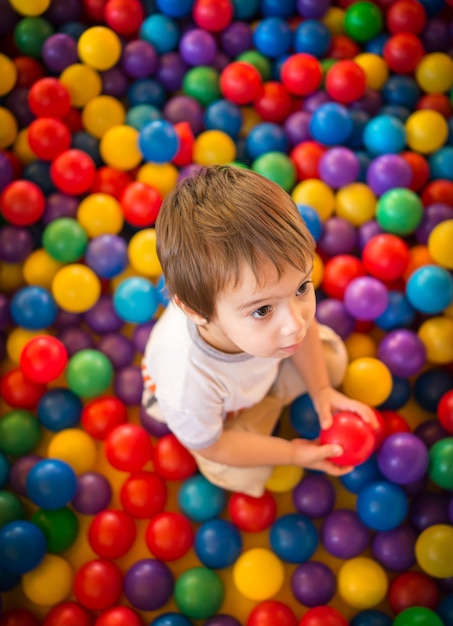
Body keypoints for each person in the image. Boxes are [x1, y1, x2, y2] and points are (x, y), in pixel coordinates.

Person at [142, 165, 377, 497]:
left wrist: (321, 390)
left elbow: (300, 328)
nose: (295, 322)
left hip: (264, 368)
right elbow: (215, 445)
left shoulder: (280, 322)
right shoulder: (186, 383)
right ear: (197, 312)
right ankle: (269, 410)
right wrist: (294, 453)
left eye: (301, 288)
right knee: (242, 476)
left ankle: (276, 399)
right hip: (224, 418)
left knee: (333, 360)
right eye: (263, 310)